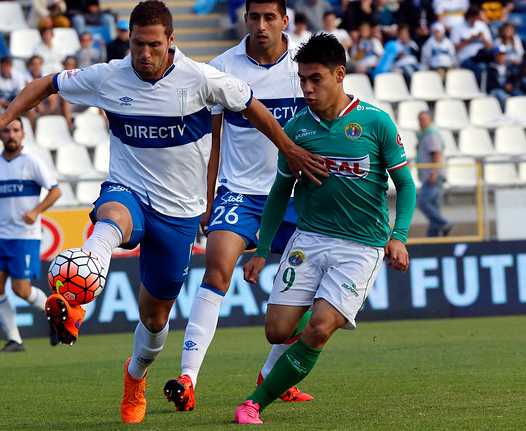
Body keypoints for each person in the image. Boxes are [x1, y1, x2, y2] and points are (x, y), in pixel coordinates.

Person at [0, 0, 324, 423]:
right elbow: (49, 83)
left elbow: (252, 106)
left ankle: (135, 376)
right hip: (129, 192)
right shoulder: (109, 76)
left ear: (171, 41)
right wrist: (6, 115)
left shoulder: (203, 78)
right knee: (111, 218)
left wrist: (286, 147)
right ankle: (75, 295)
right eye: (137, 44)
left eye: (154, 45)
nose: (144, 54)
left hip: (179, 214)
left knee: (154, 321)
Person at [233, 32, 416, 424]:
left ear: (340, 73)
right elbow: (280, 190)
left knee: (317, 330)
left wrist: (397, 237)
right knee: (276, 331)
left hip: (361, 247)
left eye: (316, 78)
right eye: (302, 79)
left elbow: (406, 185)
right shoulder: (297, 129)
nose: (307, 88)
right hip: (309, 239)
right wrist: (262, 251)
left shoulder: (375, 122)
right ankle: (279, 369)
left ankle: (254, 402)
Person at [163, 0, 321, 413]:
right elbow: (212, 142)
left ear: (285, 20)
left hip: (295, 193)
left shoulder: (305, 65)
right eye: (255, 17)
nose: (262, 25)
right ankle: (188, 377)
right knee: (217, 267)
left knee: (306, 293)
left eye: (271, 17)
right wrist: (206, 193)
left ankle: (273, 377)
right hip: (240, 191)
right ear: (245, 19)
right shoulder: (222, 69)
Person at [0, 118, 62, 353]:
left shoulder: (32, 162)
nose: (11, 135)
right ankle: (14, 340)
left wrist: (36, 211)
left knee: (21, 289)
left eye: (16, 130)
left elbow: (56, 191)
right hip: (0, 236)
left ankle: (56, 315)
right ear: (0, 135)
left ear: (23, 134)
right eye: (6, 131)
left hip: (25, 236)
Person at [416, 111, 451, 237]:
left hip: (433, 175)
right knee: (434, 207)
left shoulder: (431, 134)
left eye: (424, 119)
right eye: (419, 120)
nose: (421, 123)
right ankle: (433, 237)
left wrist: (434, 172)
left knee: (423, 202)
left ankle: (444, 224)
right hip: (434, 174)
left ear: (430, 120)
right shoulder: (426, 134)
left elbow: (436, 152)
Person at [450, 5, 493, 84]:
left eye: (475, 18)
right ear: (467, 17)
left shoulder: (482, 26)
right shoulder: (457, 27)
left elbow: (491, 47)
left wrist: (484, 39)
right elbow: (453, 48)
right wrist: (469, 40)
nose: (474, 20)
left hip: (481, 57)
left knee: (493, 65)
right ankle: (477, 88)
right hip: (465, 59)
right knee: (481, 67)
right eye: (472, 18)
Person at [487, 45, 523, 110]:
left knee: (520, 95)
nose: (501, 57)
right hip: (495, 89)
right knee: (502, 97)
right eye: (499, 55)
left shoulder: (508, 67)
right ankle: (504, 114)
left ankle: (519, 113)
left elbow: (513, 79)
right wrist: (503, 87)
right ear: (495, 56)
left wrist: (511, 85)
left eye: (503, 55)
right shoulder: (490, 68)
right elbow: (491, 84)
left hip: (507, 88)